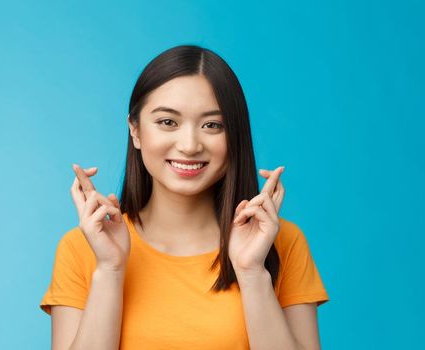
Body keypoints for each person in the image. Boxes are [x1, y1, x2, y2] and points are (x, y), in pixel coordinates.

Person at [39, 45, 329, 350]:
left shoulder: (282, 243)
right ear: (135, 130)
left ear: (235, 137)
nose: (190, 145)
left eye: (212, 125)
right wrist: (110, 270)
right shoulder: (82, 247)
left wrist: (252, 273)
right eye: (168, 122)